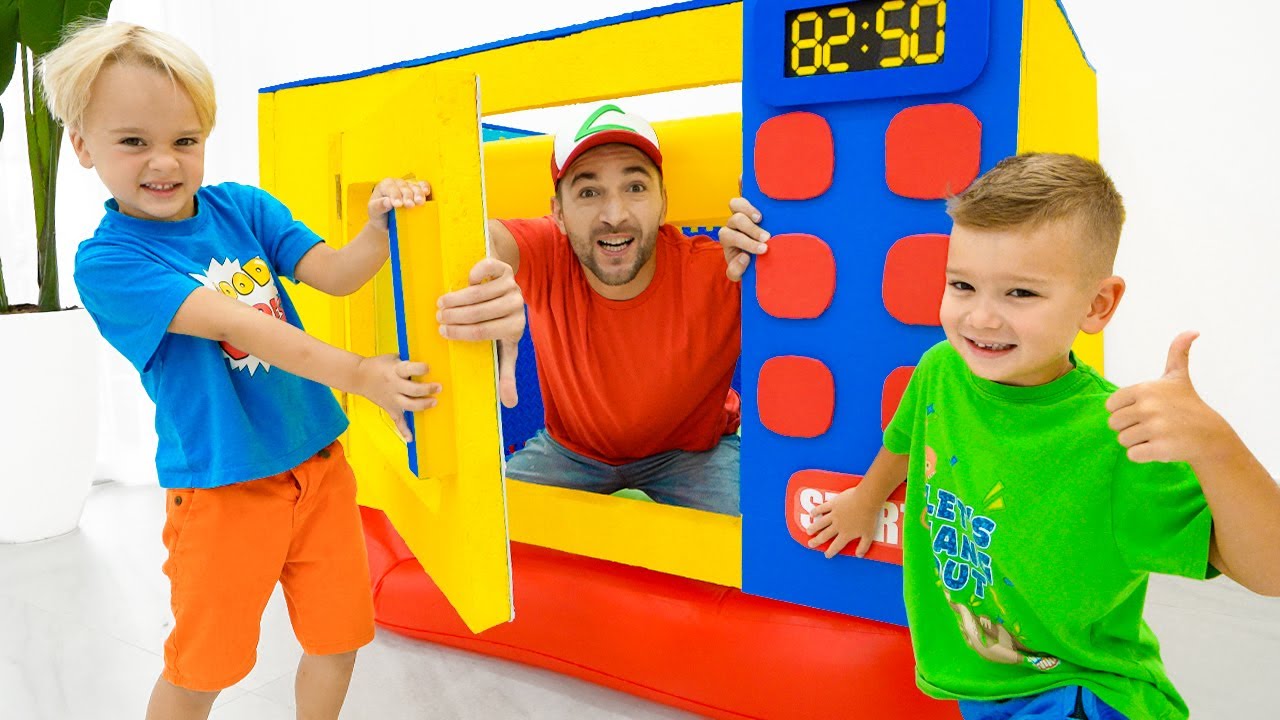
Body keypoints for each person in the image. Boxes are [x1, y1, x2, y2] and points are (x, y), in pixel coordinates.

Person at [42, 21, 522, 720]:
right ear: (84, 147)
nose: (164, 162)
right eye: (134, 142)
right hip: (223, 490)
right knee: (204, 668)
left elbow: (336, 273)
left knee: (339, 641)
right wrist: (362, 374)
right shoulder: (109, 261)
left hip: (318, 467)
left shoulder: (242, 206)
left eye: (185, 141)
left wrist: (378, 226)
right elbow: (241, 326)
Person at [783, 153, 1280, 719]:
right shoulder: (941, 369)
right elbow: (906, 439)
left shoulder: (1113, 436)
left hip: (1078, 691)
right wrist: (865, 500)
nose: (981, 318)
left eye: (1020, 293)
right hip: (982, 686)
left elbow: (1270, 572)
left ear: (1098, 305)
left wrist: (1217, 446)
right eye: (962, 285)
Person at [472, 102, 742, 515]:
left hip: (693, 453)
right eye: (589, 192)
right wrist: (480, 277)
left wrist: (781, 241)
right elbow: (484, 240)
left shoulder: (720, 270)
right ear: (558, 214)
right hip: (570, 453)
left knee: (765, 539)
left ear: (663, 203)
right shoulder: (548, 252)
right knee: (490, 523)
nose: (614, 215)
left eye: (635, 188)